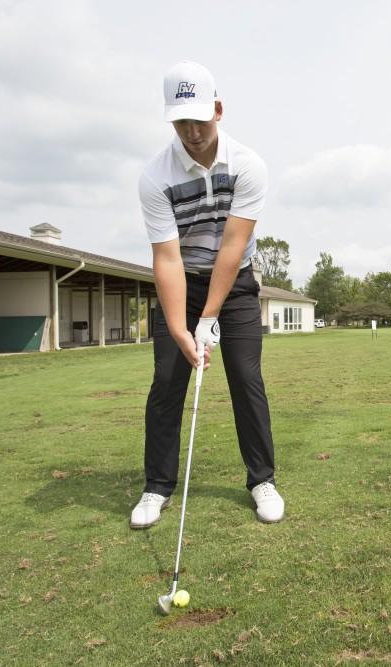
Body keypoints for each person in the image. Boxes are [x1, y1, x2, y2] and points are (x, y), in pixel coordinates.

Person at [130, 61, 284, 528]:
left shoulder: (248, 166)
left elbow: (233, 247)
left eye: (200, 118)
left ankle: (262, 480)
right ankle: (156, 487)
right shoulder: (155, 176)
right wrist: (180, 327)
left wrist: (210, 315)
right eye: (181, 122)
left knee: (244, 376)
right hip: (183, 282)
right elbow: (168, 258)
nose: (192, 131)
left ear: (218, 109)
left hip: (234, 285)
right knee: (166, 383)